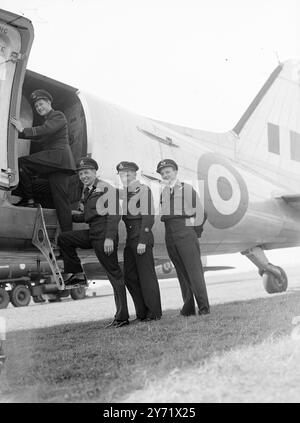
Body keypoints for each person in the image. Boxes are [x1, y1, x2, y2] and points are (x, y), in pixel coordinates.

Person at [57, 157, 130, 328]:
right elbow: (88, 216)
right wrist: (68, 214)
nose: (83, 176)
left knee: (114, 275)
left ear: (95, 172)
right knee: (65, 239)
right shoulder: (88, 191)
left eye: (86, 172)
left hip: (104, 234)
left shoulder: (105, 187)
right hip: (93, 232)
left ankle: (122, 317)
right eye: (81, 173)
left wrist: (109, 238)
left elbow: (114, 213)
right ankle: (77, 276)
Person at [9, 89, 76, 232]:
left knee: (23, 163)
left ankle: (30, 200)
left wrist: (23, 129)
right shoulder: (47, 121)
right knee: (59, 201)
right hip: (55, 162)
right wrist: (15, 133)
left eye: (41, 104)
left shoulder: (58, 116)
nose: (39, 108)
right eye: (37, 106)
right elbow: (38, 136)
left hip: (58, 159)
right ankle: (30, 200)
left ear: (49, 102)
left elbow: (45, 130)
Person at [157, 159, 210, 316]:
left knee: (194, 272)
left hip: (185, 232)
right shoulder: (164, 192)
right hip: (170, 234)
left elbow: (200, 213)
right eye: (162, 173)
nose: (165, 175)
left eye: (168, 171)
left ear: (175, 172)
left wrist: (194, 231)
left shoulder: (187, 189)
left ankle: (204, 308)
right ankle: (188, 307)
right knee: (180, 271)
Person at [117, 161, 162, 322]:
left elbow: (148, 216)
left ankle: (154, 312)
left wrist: (143, 240)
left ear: (135, 174)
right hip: (130, 239)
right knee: (130, 276)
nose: (125, 177)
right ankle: (142, 313)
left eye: (128, 174)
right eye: (122, 175)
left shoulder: (142, 190)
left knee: (146, 276)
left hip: (141, 237)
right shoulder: (124, 193)